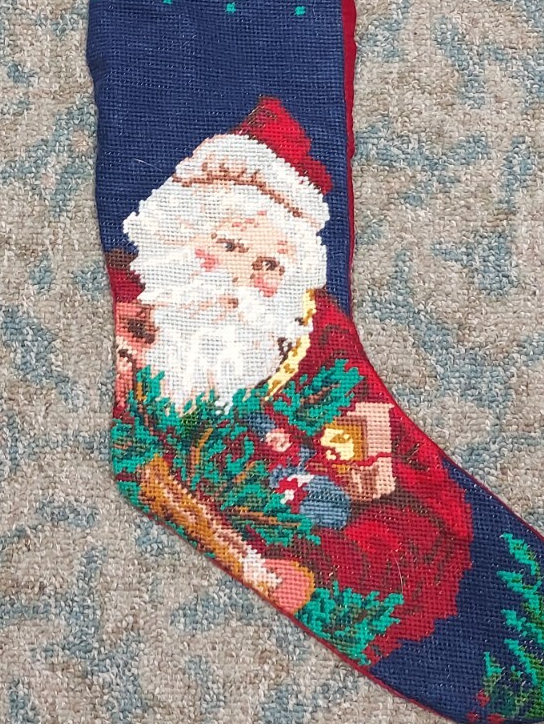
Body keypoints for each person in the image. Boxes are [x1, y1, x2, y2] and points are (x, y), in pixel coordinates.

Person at [107, 99, 472, 658]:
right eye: (229, 245)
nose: (241, 277)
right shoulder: (135, 310)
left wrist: (315, 568)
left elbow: (389, 492)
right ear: (178, 231)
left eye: (269, 265)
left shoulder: (313, 347)